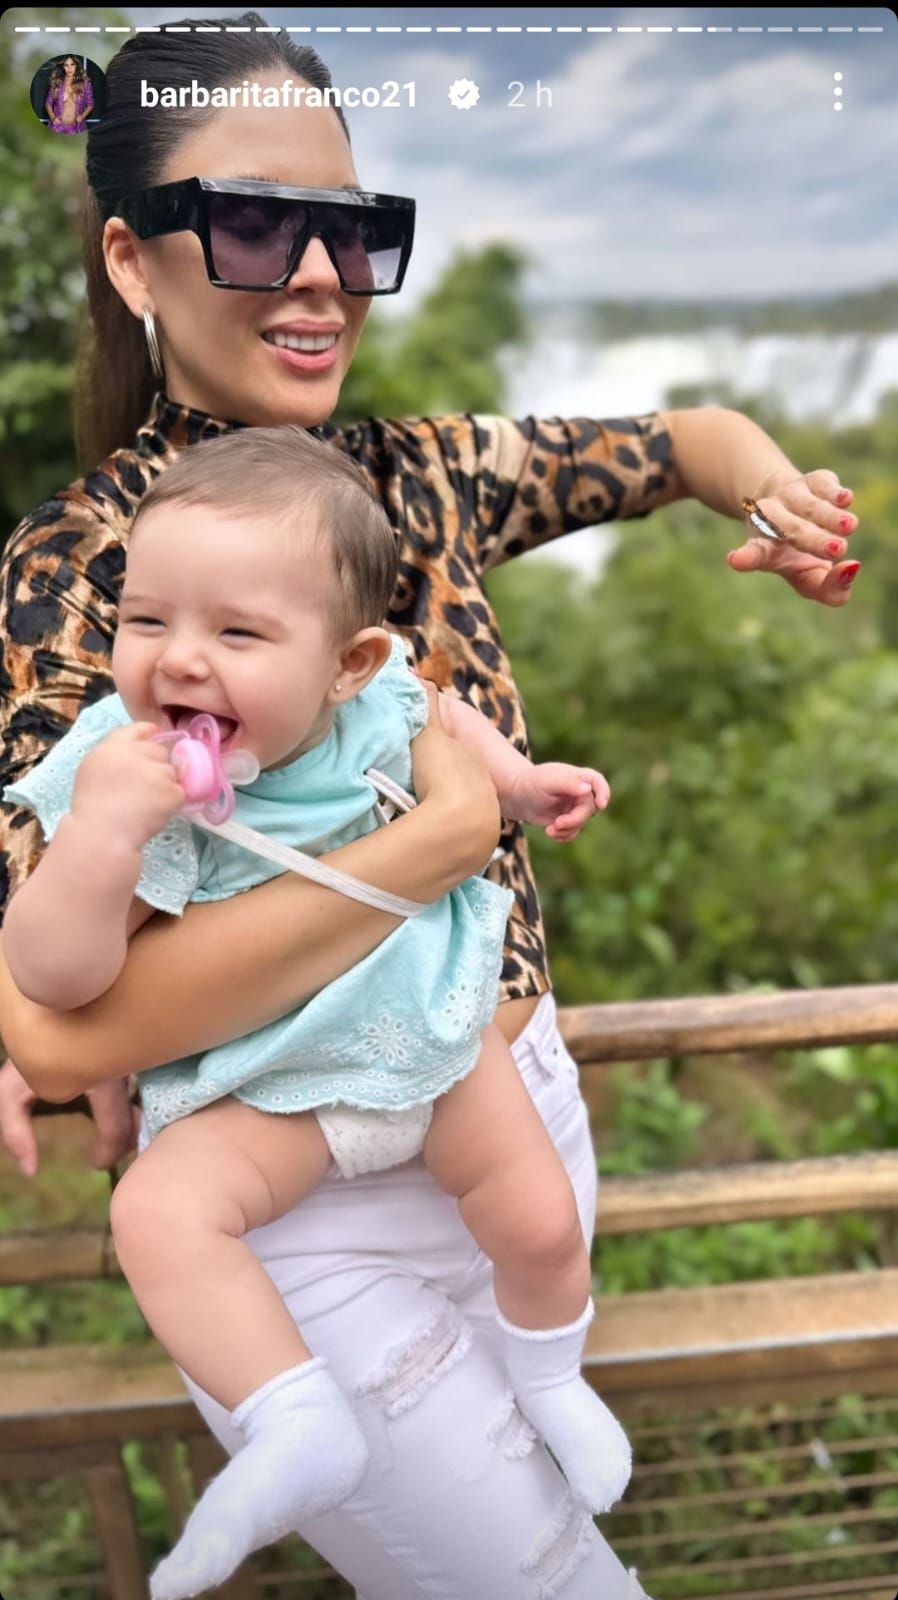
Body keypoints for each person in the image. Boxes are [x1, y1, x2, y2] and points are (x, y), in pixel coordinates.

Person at [0, 14, 860, 1599]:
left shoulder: (416, 477)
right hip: (288, 1204)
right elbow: (62, 1025)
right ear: (133, 260)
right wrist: (439, 841)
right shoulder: (92, 568)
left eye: (353, 227)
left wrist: (776, 497)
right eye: (258, 222)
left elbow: (676, 442)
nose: (319, 271)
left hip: (500, 1114)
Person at [3, 424, 628, 1600]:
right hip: (268, 1091)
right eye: (148, 622)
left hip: (428, 1038)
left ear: (346, 663)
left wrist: (517, 782)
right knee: (156, 1210)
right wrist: (97, 840)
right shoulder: (118, 766)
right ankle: (293, 1417)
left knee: (539, 1226)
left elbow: (439, 718)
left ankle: (556, 1378)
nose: (180, 662)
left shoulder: (375, 696)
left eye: (236, 633)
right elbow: (55, 981)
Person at [45, 55, 94, 135]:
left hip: (77, 129)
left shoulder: (85, 84)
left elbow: (90, 104)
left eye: (72, 64)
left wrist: (82, 117)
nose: (69, 68)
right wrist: (53, 117)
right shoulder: (58, 83)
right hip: (57, 127)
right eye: (66, 65)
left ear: (76, 66)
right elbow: (48, 103)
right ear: (63, 67)